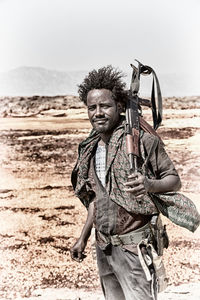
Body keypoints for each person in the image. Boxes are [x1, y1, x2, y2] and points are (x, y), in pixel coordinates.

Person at [70, 65, 182, 300]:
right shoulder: (90, 149)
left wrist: (149, 185)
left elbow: (174, 181)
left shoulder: (143, 142)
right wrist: (83, 237)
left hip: (135, 250)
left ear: (120, 106)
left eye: (105, 106)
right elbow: (96, 199)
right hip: (104, 250)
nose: (98, 113)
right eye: (92, 107)